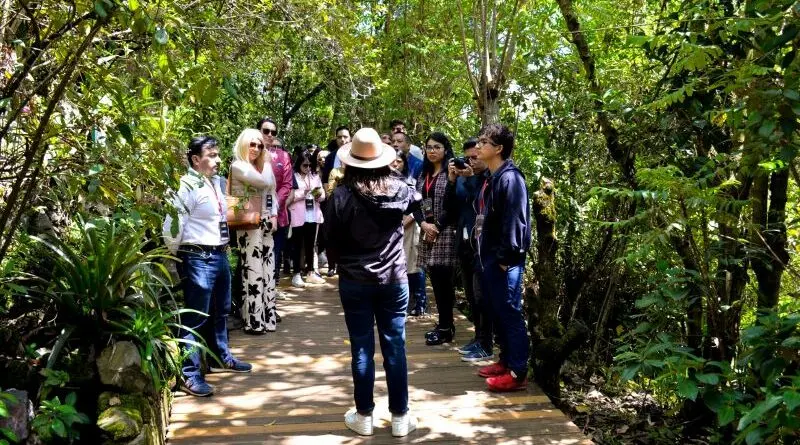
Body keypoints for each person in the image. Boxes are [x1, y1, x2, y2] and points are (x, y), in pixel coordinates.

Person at [324, 127, 418, 437]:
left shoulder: (339, 196)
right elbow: (420, 205)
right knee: (395, 346)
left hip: (355, 280)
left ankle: (364, 415)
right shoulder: (400, 189)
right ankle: (400, 417)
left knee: (362, 348)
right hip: (393, 279)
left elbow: (330, 242)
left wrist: (340, 262)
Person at [163, 136, 252, 397]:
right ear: (195, 159)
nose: (217, 160)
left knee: (221, 310)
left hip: (220, 253)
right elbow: (171, 228)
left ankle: (220, 356)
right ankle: (189, 375)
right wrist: (180, 257)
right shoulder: (185, 187)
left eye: (217, 154)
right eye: (211, 155)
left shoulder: (215, 182)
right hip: (198, 256)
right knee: (195, 317)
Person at [473, 123, 532, 392]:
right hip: (490, 257)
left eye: (484, 142)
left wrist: (506, 257)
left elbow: (515, 221)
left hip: (504, 260)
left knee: (509, 313)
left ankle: (518, 372)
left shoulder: (511, 178)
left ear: (498, 149)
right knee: (497, 310)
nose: (478, 146)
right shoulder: (492, 176)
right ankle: (506, 359)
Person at [447, 138, 493, 361]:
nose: (471, 162)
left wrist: (472, 177)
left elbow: (480, 202)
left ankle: (487, 342)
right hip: (464, 240)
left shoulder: (487, 178)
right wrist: (452, 179)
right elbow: (451, 206)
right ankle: (478, 338)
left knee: (482, 295)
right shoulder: (463, 176)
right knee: (471, 295)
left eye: (475, 157)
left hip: (481, 245)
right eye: (467, 158)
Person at [229, 129, 279, 334]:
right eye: (253, 144)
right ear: (243, 144)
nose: (257, 149)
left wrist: (274, 216)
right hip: (249, 223)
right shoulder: (238, 166)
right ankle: (254, 320)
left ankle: (269, 317)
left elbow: (272, 193)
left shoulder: (259, 166)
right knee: (253, 271)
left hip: (266, 222)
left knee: (268, 271)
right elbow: (264, 183)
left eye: (260, 146)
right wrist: (267, 161)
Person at [414, 132, 459, 345]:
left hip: (446, 232)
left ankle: (445, 328)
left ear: (445, 150)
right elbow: (415, 203)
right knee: (436, 280)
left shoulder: (452, 173)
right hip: (428, 230)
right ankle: (445, 324)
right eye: (429, 147)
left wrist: (437, 226)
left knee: (444, 282)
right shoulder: (423, 174)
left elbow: (453, 206)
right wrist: (423, 224)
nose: (432, 151)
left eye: (437, 147)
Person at [392, 151, 427, 316]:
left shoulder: (411, 182)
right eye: (392, 161)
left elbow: (418, 207)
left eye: (399, 161)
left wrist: (407, 220)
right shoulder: (383, 182)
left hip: (410, 228)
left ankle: (420, 302)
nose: (395, 164)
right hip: (392, 231)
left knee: (413, 265)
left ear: (404, 163)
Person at [287, 150, 326, 287]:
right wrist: (302, 194)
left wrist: (318, 195)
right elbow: (289, 197)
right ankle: (296, 274)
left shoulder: (315, 176)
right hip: (298, 215)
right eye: (305, 165)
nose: (308, 168)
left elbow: (323, 196)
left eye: (310, 165)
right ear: (298, 164)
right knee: (297, 245)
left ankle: (310, 272)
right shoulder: (293, 176)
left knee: (311, 245)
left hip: (313, 214)